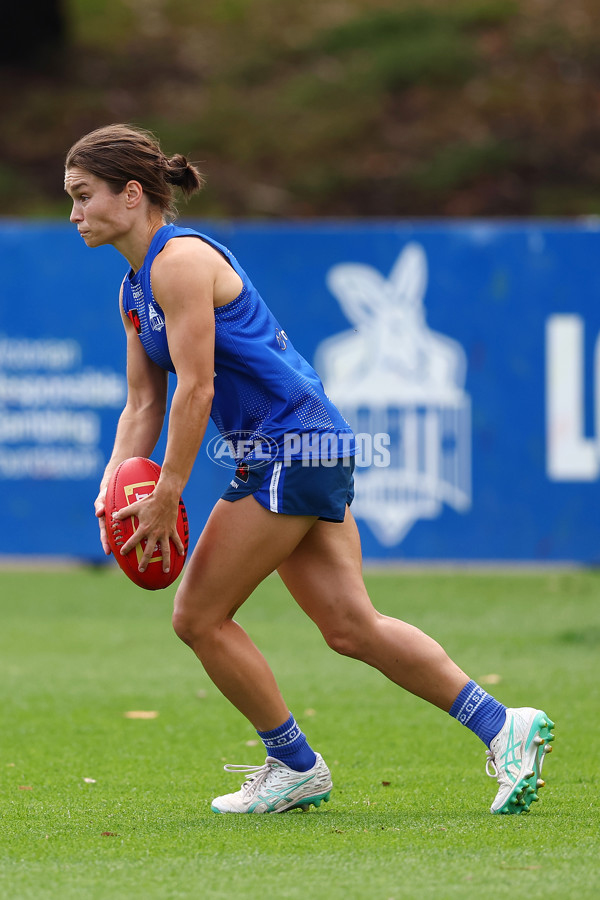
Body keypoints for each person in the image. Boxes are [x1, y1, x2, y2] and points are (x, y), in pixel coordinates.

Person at [64, 124, 555, 816]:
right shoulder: (133, 289)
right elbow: (145, 400)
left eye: (84, 197)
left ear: (132, 193)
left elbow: (197, 390)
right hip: (309, 444)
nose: (76, 214)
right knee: (352, 625)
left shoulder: (177, 263)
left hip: (287, 446)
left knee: (199, 617)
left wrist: (168, 486)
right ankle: (506, 725)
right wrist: (116, 480)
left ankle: (294, 764)